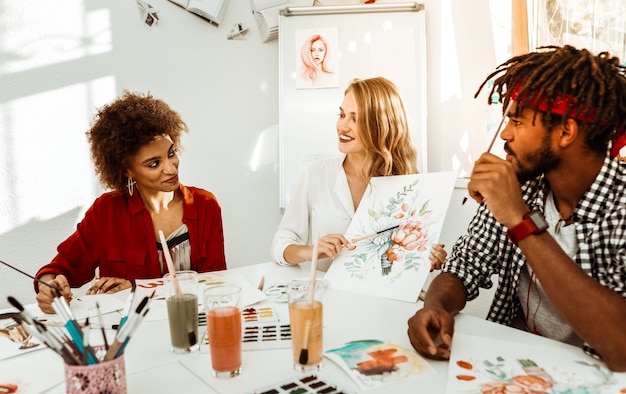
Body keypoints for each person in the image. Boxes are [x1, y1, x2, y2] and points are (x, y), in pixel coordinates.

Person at [407, 45, 626, 372]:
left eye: (518, 121)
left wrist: (519, 219)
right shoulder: (522, 185)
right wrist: (434, 305)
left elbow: (621, 348)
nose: (505, 133)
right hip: (519, 368)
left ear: (566, 131)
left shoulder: (619, 206)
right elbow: (466, 265)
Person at [35, 91, 227, 313]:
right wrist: (50, 286)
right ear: (127, 170)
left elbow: (214, 285)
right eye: (154, 164)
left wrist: (137, 291)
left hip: (191, 324)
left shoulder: (205, 205)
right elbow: (60, 268)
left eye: (171, 153)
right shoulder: (106, 212)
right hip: (129, 334)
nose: (171, 167)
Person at [271, 77, 447, 272]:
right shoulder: (316, 174)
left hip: (382, 299)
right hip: (327, 297)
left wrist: (426, 257)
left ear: (381, 125)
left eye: (355, 119)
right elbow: (280, 246)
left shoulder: (408, 184)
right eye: (342, 114)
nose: (342, 126)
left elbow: (403, 263)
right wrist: (310, 251)